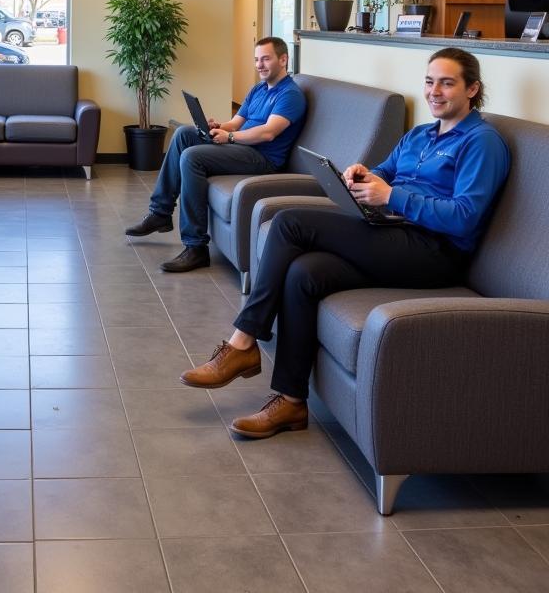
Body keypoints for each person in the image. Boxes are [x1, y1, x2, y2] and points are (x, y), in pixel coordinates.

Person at [182, 47, 511, 440]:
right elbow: (386, 170)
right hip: (392, 232)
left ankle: (243, 342)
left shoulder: (482, 141)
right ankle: (290, 402)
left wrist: (391, 197)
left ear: (472, 89)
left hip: (434, 251)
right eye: (429, 81)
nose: (434, 91)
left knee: (288, 223)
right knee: (304, 273)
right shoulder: (421, 133)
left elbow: (464, 215)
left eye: (447, 83)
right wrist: (363, 173)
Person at [126, 37, 308, 272]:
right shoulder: (259, 89)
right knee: (183, 134)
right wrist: (218, 127)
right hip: (243, 148)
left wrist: (229, 137)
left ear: (283, 59)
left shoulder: (290, 94)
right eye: (256, 59)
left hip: (262, 158)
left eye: (266, 59)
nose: (259, 65)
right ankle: (160, 212)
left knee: (192, 157)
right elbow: (236, 122)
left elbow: (268, 133)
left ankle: (196, 247)